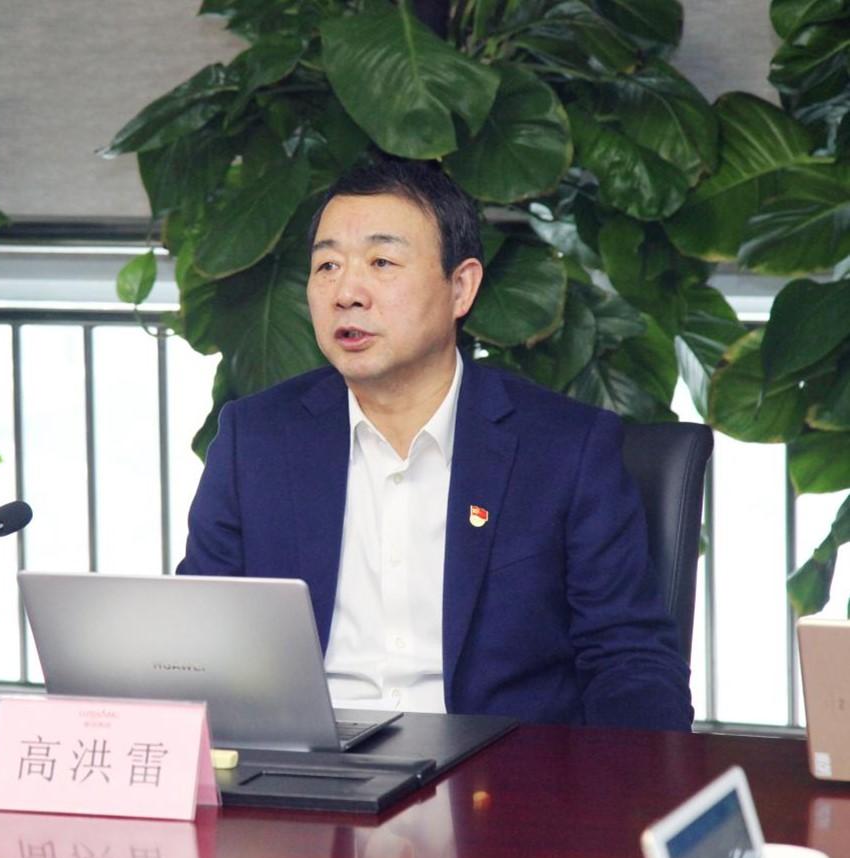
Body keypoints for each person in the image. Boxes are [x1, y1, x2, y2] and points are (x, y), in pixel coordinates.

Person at [178, 157, 693, 731]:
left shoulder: (564, 450)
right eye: (327, 265)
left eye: (381, 262)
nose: (346, 292)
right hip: (310, 766)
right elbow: (198, 647)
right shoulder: (257, 441)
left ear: (461, 287)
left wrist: (626, 778)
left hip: (499, 773)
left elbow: (629, 661)